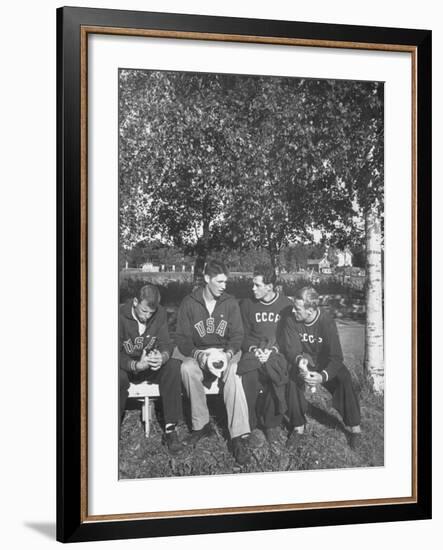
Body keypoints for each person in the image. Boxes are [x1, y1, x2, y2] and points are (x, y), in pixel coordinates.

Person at [175, 259, 251, 465]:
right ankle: (201, 425)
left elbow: (237, 336)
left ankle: (238, 436)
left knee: (235, 371)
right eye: (219, 281)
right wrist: (198, 355)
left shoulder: (230, 302)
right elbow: (181, 338)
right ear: (207, 279)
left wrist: (227, 354)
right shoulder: (189, 303)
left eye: (225, 282)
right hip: (200, 353)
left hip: (225, 352)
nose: (224, 286)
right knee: (186, 368)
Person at [278, 286, 362, 451]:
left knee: (343, 377)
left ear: (310, 310)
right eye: (294, 307)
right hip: (304, 360)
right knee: (292, 377)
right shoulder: (290, 318)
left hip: (325, 363)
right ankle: (298, 427)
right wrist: (300, 360)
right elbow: (291, 349)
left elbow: (336, 357)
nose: (293, 311)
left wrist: (322, 377)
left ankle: (354, 428)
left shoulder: (326, 321)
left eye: (298, 309)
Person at [119, 284, 184, 454]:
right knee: (116, 377)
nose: (147, 317)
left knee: (173, 365)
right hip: (126, 366)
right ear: (135, 302)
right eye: (143, 311)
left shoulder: (160, 313)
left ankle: (171, 430)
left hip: (148, 365)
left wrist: (161, 357)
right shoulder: (118, 315)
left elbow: (166, 344)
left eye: (151, 313)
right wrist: (134, 365)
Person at [237, 264, 293, 445]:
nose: (253, 288)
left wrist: (273, 351)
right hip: (253, 352)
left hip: (276, 353)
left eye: (257, 285)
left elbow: (289, 338)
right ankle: (251, 424)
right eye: (252, 284)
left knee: (274, 372)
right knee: (249, 375)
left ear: (269, 287)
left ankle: (271, 423)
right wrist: (254, 349)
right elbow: (242, 336)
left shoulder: (286, 305)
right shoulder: (247, 304)